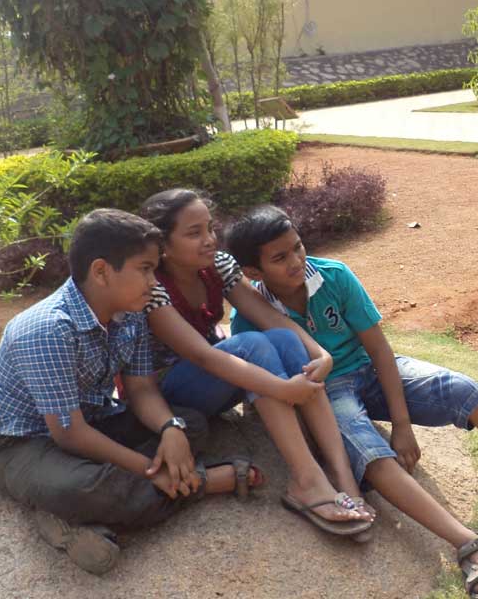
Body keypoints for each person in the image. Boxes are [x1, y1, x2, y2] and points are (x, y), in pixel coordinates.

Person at [225, 205, 478, 599]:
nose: (296, 261)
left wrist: (401, 425)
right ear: (253, 272)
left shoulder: (333, 276)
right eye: (280, 258)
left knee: (465, 391)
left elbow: (381, 352)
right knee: (373, 456)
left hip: (372, 369)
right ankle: (470, 546)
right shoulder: (248, 319)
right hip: (330, 393)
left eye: (297, 248)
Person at [0, 209, 265, 575]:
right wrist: (149, 469)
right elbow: (68, 433)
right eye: (144, 269)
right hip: (18, 442)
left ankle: (67, 516)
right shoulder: (47, 330)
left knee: (192, 425)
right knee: (82, 487)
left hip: (93, 420)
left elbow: (141, 390)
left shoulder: (131, 312)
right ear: (101, 271)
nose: (154, 282)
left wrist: (170, 427)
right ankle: (199, 482)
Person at [139, 189, 373, 538]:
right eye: (194, 233)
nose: (209, 240)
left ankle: (341, 475)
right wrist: (281, 387)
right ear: (164, 245)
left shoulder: (217, 265)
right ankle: (306, 482)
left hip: (215, 376)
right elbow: (202, 355)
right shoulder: (153, 288)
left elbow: (268, 315)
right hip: (172, 391)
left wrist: (320, 354)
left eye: (209, 229)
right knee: (251, 344)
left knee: (284, 339)